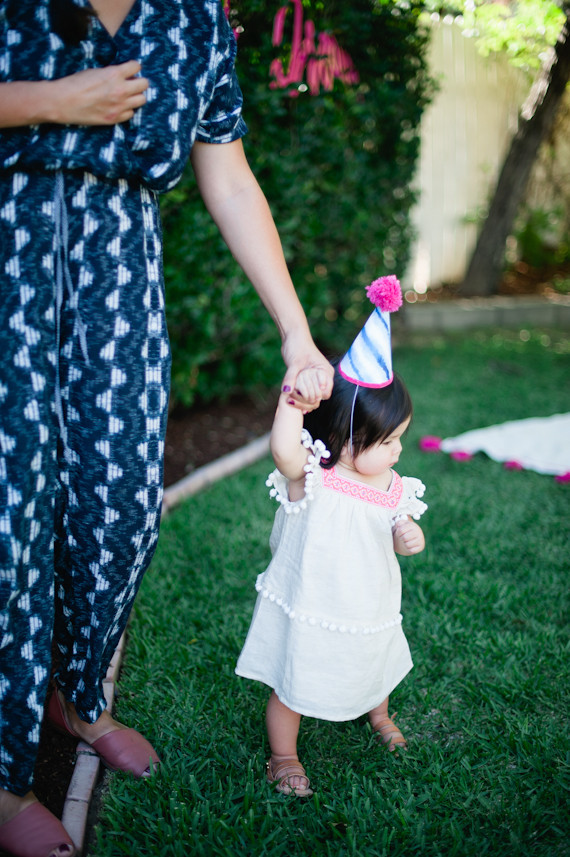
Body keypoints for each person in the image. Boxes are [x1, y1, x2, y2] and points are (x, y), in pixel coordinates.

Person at [0, 1, 333, 855]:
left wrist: (295, 330)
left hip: (120, 285)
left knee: (119, 512)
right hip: (8, 258)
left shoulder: (195, 21)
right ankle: (3, 779)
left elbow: (229, 174)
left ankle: (79, 698)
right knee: (9, 528)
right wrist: (46, 101)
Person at [235, 356, 428, 797]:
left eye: (400, 437)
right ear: (343, 439)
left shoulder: (391, 484)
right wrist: (293, 402)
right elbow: (283, 449)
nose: (398, 449)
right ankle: (284, 755)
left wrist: (408, 536)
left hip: (368, 600)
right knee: (294, 676)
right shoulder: (312, 476)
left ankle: (378, 713)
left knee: (372, 659)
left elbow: (397, 530)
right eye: (389, 440)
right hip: (312, 604)